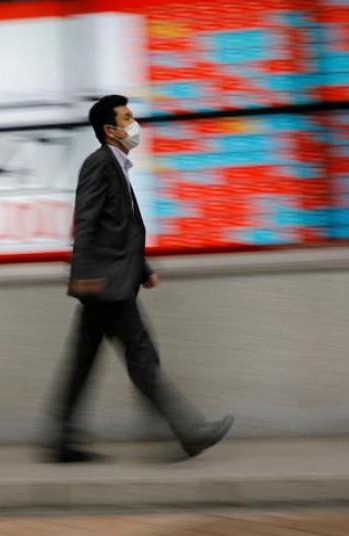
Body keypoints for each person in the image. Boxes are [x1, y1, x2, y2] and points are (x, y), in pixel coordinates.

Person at [46, 94, 234, 463]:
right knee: (142, 356)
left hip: (111, 281)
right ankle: (188, 431)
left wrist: (142, 269)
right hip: (106, 286)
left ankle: (60, 439)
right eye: (127, 117)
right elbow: (86, 221)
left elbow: (120, 228)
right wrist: (84, 276)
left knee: (84, 360)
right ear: (110, 129)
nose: (134, 124)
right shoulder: (99, 164)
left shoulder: (117, 165)